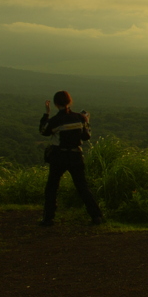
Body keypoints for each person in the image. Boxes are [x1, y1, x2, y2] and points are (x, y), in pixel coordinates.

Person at [39, 90, 104, 226]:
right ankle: (96, 216)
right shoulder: (79, 118)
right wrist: (87, 121)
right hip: (76, 155)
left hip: (59, 156)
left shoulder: (55, 121)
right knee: (82, 187)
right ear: (69, 101)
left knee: (52, 187)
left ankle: (48, 218)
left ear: (56, 104)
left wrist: (46, 114)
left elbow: (43, 131)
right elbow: (86, 136)